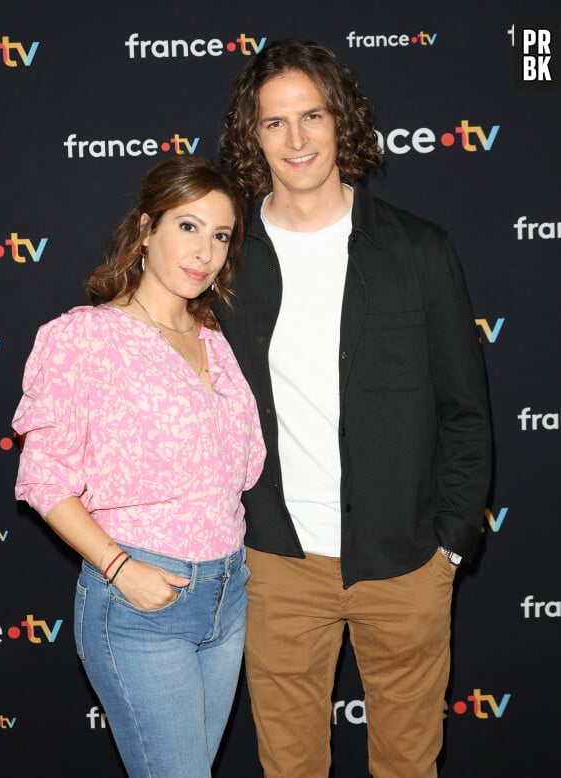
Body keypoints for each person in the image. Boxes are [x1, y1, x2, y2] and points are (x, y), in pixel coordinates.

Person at [216, 39, 492, 778]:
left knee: (408, 766)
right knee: (290, 768)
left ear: (344, 122)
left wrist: (449, 550)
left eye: (313, 116)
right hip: (276, 564)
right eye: (275, 123)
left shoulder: (419, 251)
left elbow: (466, 411)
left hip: (404, 563)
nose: (297, 139)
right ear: (254, 136)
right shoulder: (225, 259)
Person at [13, 155, 266, 778]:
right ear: (146, 230)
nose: (204, 250)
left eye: (221, 235)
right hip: (140, 605)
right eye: (187, 226)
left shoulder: (212, 335)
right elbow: (44, 479)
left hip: (228, 596)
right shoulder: (85, 338)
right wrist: (122, 569)